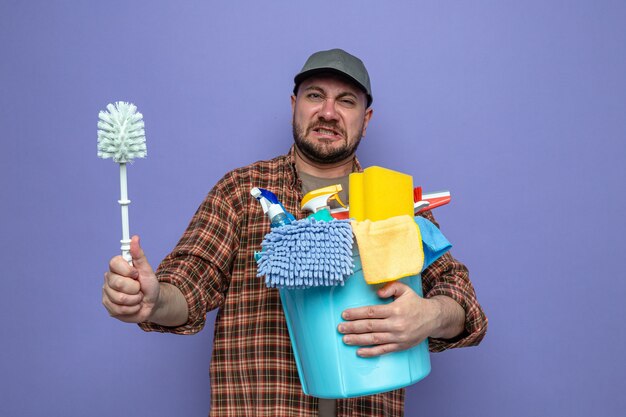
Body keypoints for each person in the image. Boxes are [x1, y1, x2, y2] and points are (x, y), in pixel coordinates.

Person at [102, 48, 488, 417]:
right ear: (294, 105)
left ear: (366, 119)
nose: (328, 112)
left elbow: (462, 301)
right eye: (315, 95)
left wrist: (429, 315)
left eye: (347, 101)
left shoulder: (396, 202)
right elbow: (188, 283)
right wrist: (152, 299)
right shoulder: (242, 192)